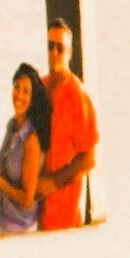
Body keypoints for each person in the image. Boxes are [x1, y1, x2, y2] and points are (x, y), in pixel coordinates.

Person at [37, 19, 97, 230]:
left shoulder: (77, 94)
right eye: (50, 46)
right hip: (38, 209)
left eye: (60, 48)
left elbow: (88, 159)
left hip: (65, 209)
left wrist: (53, 182)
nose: (54, 52)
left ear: (69, 52)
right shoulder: (39, 87)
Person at [0, 63, 47, 234]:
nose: (19, 95)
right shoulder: (11, 125)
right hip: (3, 220)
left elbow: (27, 199)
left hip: (21, 228)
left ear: (33, 98)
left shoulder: (31, 140)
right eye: (17, 87)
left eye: (26, 91)